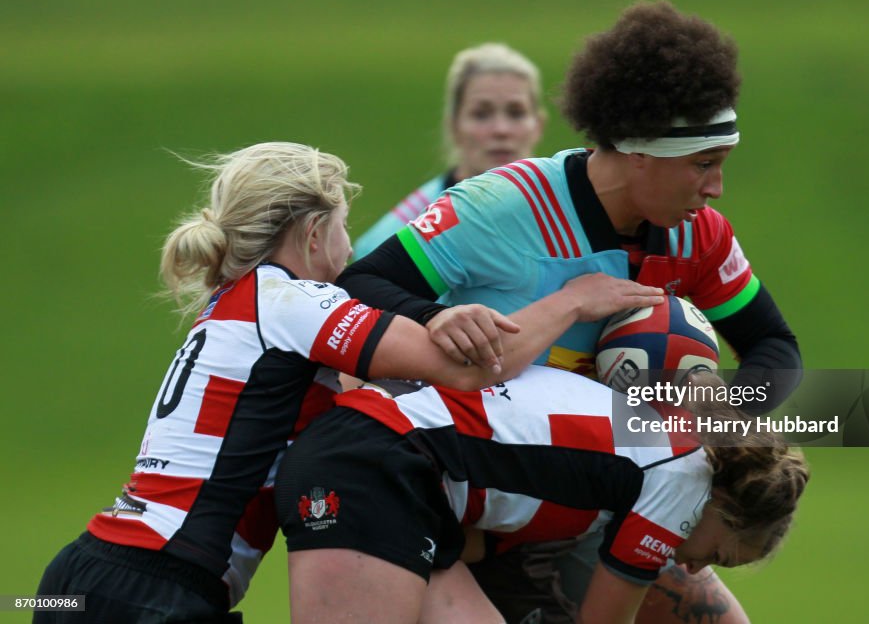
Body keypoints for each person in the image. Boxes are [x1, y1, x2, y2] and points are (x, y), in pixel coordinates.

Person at [33, 142, 663, 624]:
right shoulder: (292, 300)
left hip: (82, 583)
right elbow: (472, 370)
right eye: (343, 224)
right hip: (159, 589)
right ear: (313, 233)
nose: (350, 245)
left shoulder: (232, 301)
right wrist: (575, 301)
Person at [337, 0, 803, 622]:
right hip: (472, 504)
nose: (715, 187)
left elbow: (775, 346)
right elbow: (357, 284)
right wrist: (434, 318)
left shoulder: (700, 235)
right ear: (641, 151)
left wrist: (716, 414)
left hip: (600, 508)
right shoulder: (500, 209)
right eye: (704, 164)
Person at [274, 366, 809, 624]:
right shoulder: (686, 476)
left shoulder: (630, 475)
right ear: (724, 504)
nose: (694, 571)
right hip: (377, 461)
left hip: (395, 476)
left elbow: (476, 540)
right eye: (716, 555)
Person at [352, 42, 546, 259]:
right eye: (481, 114)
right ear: (453, 126)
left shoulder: (575, 211)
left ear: (538, 126)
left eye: (516, 113)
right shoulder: (390, 241)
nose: (501, 130)